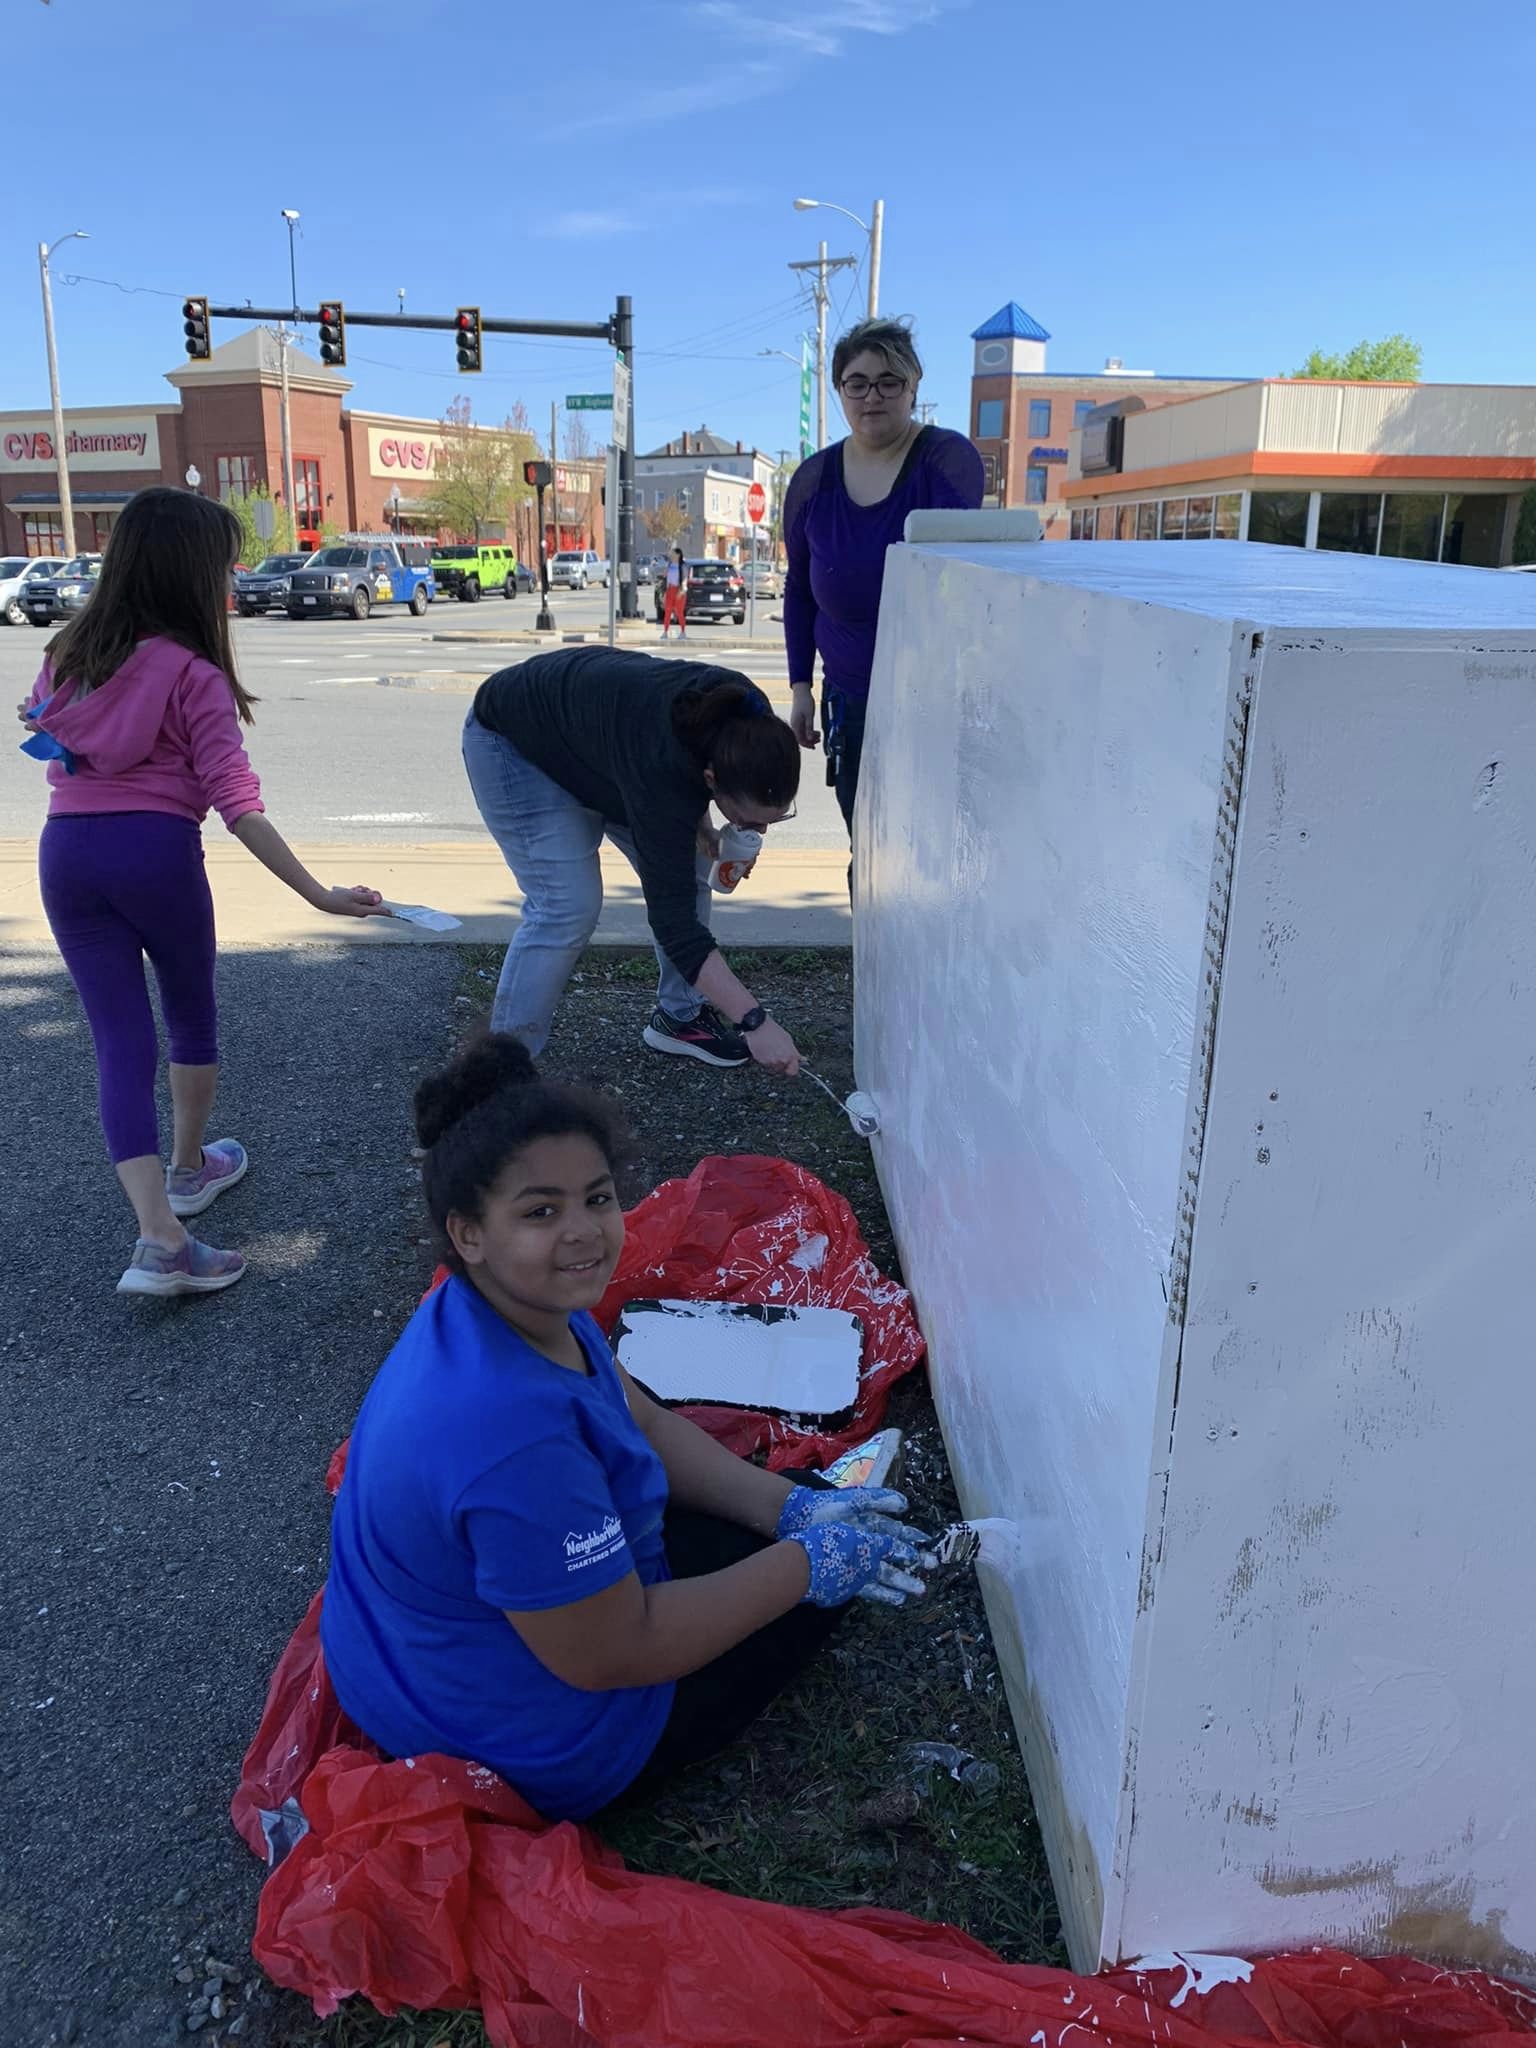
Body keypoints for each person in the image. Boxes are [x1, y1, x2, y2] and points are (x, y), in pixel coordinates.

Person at [320, 1035, 925, 1821]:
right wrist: (809, 1569)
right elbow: (615, 1653)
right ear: (467, 1231)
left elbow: (630, 1409)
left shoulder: (508, 1310)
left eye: (597, 1198)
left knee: (789, 1513)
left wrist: (788, 1509)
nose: (584, 1231)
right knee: (807, 1592)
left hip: (415, 1663)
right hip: (525, 1743)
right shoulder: (512, 1440)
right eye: (541, 1210)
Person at [18, 486, 388, 1298]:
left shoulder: (68, 651)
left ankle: (160, 1235)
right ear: (190, 575)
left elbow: (52, 742)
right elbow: (236, 802)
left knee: (119, 1041)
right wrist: (320, 895)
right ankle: (188, 1170)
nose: (229, 583)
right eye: (221, 568)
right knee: (189, 1012)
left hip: (66, 853)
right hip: (155, 854)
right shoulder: (192, 673)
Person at [463, 645, 804, 1075]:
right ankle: (501, 1069)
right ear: (712, 779)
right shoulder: (663, 773)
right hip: (518, 742)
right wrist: (755, 1021)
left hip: (607, 752)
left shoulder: (750, 722)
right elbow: (675, 925)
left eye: (771, 821)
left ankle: (680, 1019)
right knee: (567, 906)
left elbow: (679, 763)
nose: (756, 831)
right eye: (747, 820)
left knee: (696, 865)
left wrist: (706, 824)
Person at [782, 317, 985, 843]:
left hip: (933, 700)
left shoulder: (945, 461)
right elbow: (800, 589)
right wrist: (801, 687)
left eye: (889, 381)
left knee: (929, 850)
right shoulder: (811, 482)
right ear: (839, 390)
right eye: (857, 383)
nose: (873, 396)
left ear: (913, 386)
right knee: (870, 849)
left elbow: (957, 582)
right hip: (851, 702)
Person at [660, 547, 688, 641]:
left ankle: (683, 632)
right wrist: (665, 592)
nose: (671, 555)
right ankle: (665, 632)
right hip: (670, 589)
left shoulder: (683, 565)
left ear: (678, 554)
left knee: (679, 612)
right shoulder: (670, 564)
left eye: (673, 553)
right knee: (667, 611)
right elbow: (665, 577)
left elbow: (684, 579)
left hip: (679, 589)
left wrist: (682, 590)